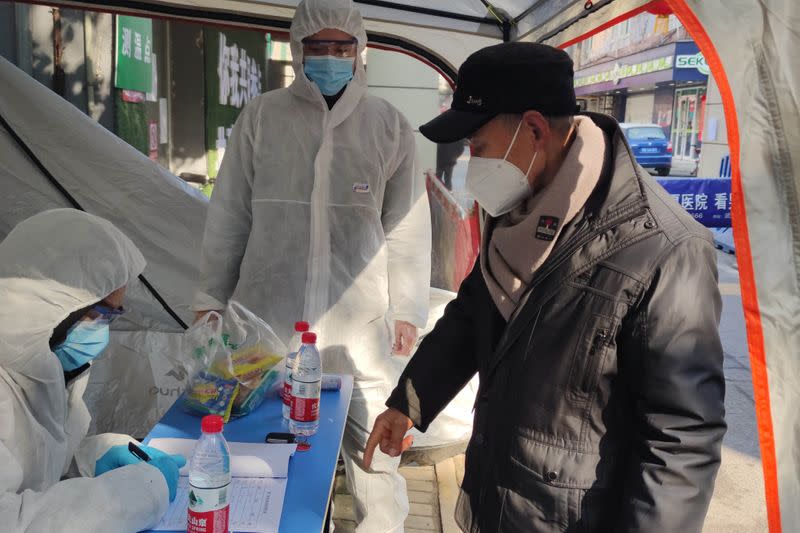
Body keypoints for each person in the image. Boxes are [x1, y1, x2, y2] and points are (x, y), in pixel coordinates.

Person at [366, 43, 726, 532]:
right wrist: (409, 402)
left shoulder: (663, 247)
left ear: (533, 130)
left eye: (478, 146)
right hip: (496, 496)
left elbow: (679, 438)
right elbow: (473, 311)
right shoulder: (516, 208)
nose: (473, 162)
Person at [192, 0, 431, 530]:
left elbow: (407, 227)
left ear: (359, 50)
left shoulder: (388, 125)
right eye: (316, 47)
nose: (328, 57)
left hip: (359, 328)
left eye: (340, 47)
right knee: (268, 453)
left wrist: (409, 307)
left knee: (375, 458)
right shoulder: (262, 116)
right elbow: (229, 213)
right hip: (267, 319)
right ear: (297, 50)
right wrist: (211, 298)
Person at [0, 209, 186, 532]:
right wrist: (141, 493)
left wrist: (87, 459)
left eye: (114, 316)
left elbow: (35, 471)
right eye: (100, 314)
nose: (104, 332)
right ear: (50, 308)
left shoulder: (42, 372)